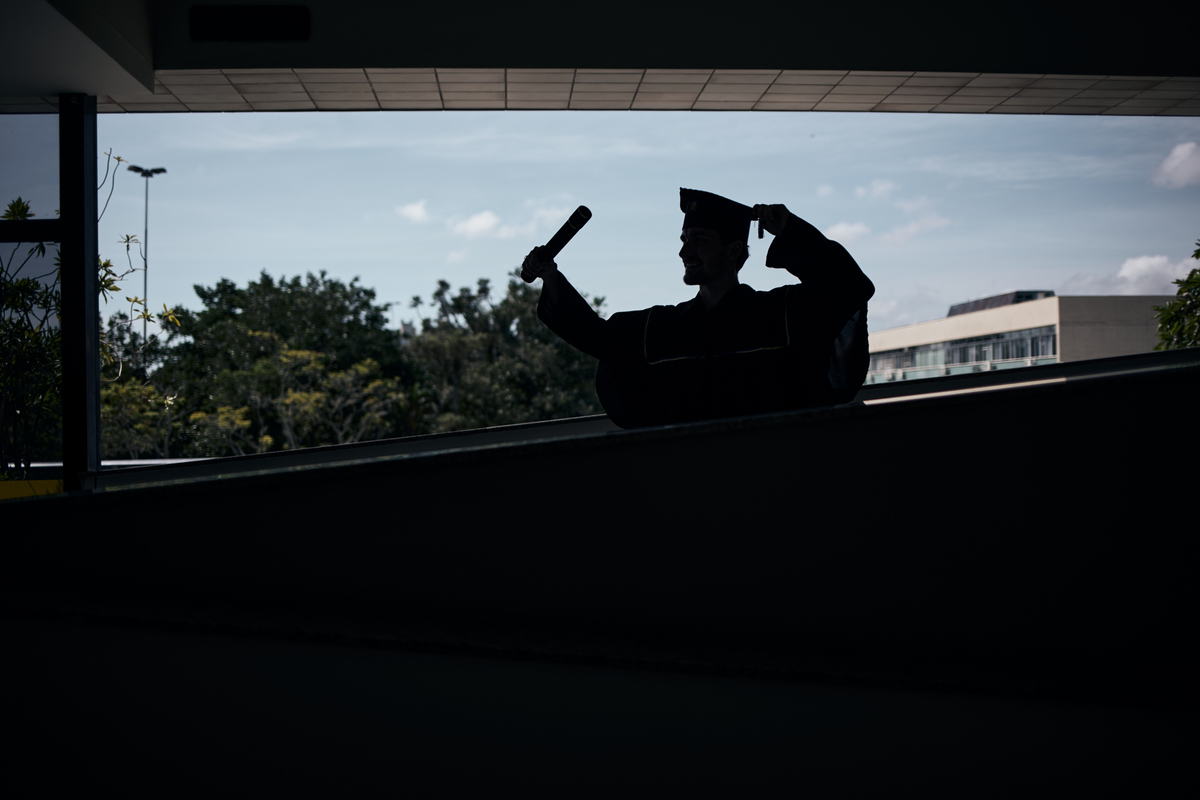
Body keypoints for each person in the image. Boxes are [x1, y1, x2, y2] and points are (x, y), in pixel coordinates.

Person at [522, 188, 875, 428]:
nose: (684, 252)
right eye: (684, 240)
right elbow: (597, 336)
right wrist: (551, 277)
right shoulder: (659, 328)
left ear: (733, 250)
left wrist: (791, 230)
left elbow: (850, 289)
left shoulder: (779, 315)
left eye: (699, 240)